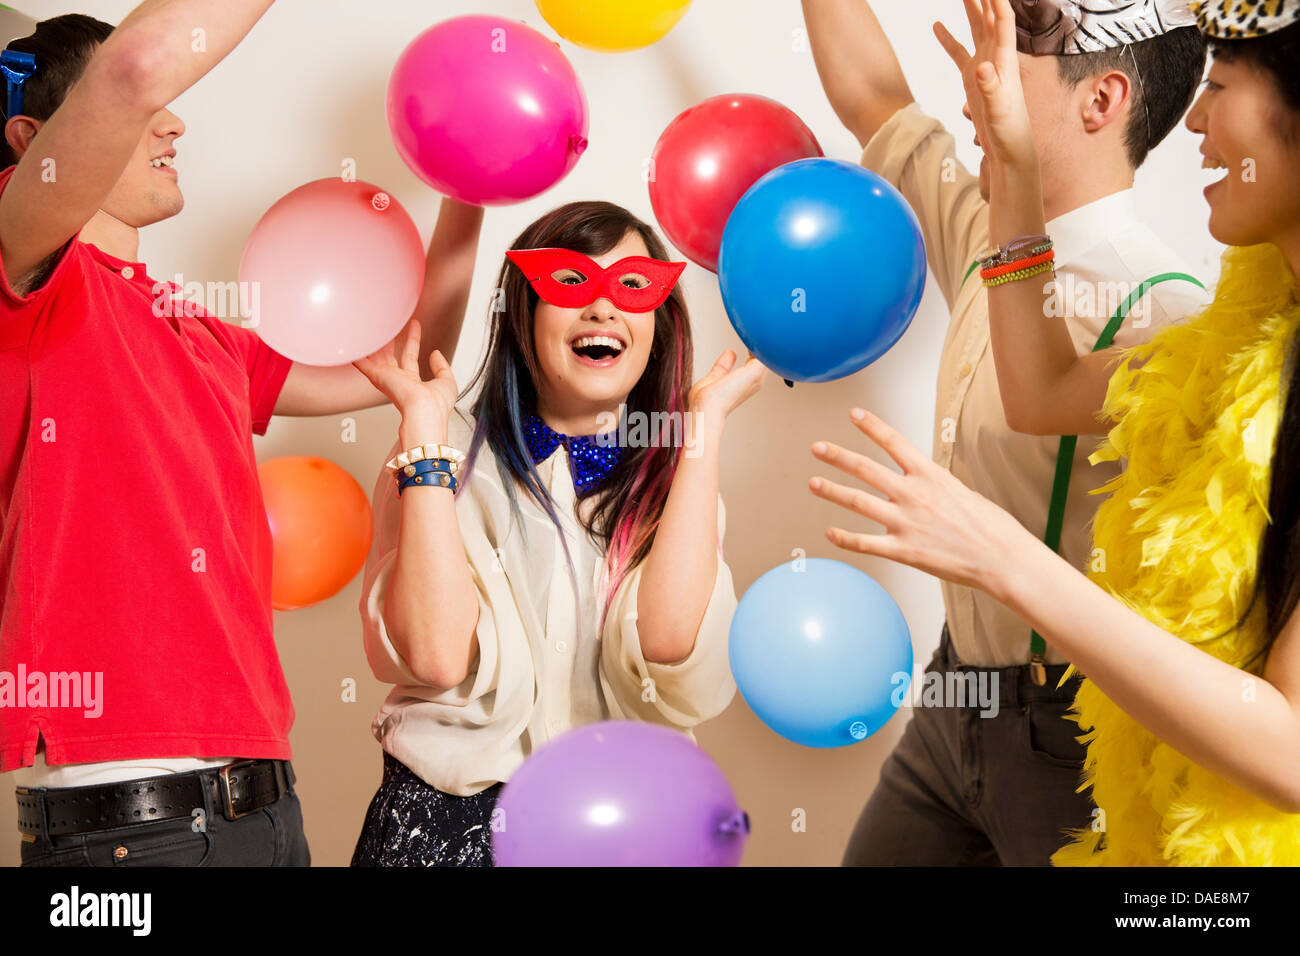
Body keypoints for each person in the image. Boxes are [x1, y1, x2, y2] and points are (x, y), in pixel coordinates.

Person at [809, 0, 1300, 865]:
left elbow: (1286, 744)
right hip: (954, 693)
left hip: (1073, 729)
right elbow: (1038, 392)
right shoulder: (1233, 343)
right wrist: (1013, 157)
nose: (1197, 121)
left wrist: (1003, 555)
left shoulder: (1166, 307)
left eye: (1221, 86)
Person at [1, 4, 484, 866]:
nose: (174, 121)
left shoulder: (199, 328)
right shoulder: (23, 276)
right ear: (32, 143)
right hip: (125, 824)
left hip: (261, 807)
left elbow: (410, 361)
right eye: (142, 113)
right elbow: (136, 69)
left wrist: (470, 188)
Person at [349, 200, 766, 867]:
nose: (603, 308)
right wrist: (424, 440)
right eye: (571, 283)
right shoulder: (439, 453)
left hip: (633, 830)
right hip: (449, 830)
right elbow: (434, 657)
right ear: (523, 313)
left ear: (658, 324)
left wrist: (702, 429)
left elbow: (671, 657)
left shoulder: (678, 477)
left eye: (631, 286)